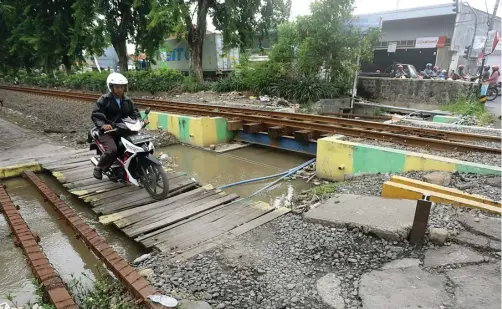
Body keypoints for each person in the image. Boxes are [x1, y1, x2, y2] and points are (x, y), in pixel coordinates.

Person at [91, 72, 147, 179]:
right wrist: (103, 126)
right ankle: (99, 167)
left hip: (125, 129)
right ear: (111, 87)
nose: (120, 89)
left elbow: (135, 113)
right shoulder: (104, 100)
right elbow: (96, 115)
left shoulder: (128, 100)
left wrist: (140, 121)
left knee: (140, 145)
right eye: (117, 87)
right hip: (109, 131)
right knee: (112, 150)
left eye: (122, 87)